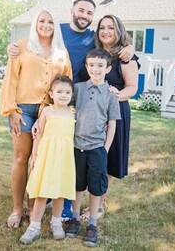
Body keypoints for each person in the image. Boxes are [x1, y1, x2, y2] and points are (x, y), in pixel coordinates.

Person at [8, 0, 135, 221]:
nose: (85, 15)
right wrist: (13, 47)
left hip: (81, 104)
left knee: (71, 152)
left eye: (89, 13)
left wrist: (130, 46)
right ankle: (34, 200)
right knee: (43, 152)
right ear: (72, 11)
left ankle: (68, 202)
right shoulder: (57, 30)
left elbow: (112, 47)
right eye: (81, 11)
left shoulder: (93, 38)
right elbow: (34, 41)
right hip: (51, 101)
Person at [0, 9, 72, 228]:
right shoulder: (22, 46)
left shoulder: (61, 52)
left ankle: (33, 209)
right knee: (22, 158)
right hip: (23, 110)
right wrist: (10, 109)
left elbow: (66, 83)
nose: (46, 25)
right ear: (35, 23)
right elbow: (10, 79)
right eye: (42, 20)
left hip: (48, 112)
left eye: (50, 21)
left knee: (39, 161)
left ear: (55, 25)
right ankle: (17, 209)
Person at [79, 15, 139, 219]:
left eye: (111, 28)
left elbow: (132, 88)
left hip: (115, 112)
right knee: (89, 157)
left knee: (106, 158)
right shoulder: (95, 55)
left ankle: (99, 205)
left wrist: (114, 96)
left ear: (119, 30)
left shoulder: (126, 57)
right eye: (102, 27)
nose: (105, 31)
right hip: (91, 112)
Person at [65, 49, 121, 247]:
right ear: (87, 67)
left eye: (100, 66)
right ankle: (74, 218)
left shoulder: (111, 94)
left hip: (97, 147)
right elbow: (64, 106)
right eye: (91, 65)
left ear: (108, 68)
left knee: (96, 186)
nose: (95, 69)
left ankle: (93, 224)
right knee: (77, 184)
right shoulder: (78, 88)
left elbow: (112, 123)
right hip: (76, 145)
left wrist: (105, 148)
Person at [19, 76, 75, 244]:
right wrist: (35, 155)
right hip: (47, 156)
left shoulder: (72, 112)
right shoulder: (47, 111)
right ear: (51, 93)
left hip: (64, 158)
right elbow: (39, 135)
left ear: (72, 95)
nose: (63, 95)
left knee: (60, 192)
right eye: (59, 92)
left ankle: (56, 223)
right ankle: (34, 227)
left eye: (67, 92)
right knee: (43, 191)